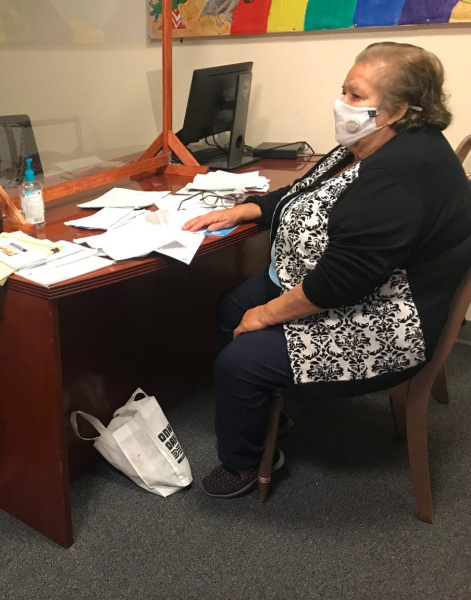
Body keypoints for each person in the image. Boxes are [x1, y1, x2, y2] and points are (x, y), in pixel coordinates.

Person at [182, 42, 471, 499]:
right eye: (344, 90)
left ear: (396, 109)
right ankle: (261, 411)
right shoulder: (365, 145)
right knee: (231, 306)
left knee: (242, 359)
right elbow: (303, 193)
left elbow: (343, 280)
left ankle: (245, 462)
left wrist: (266, 315)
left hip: (385, 320)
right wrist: (248, 211)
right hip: (334, 285)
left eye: (355, 95)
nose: (342, 103)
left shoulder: (402, 174)